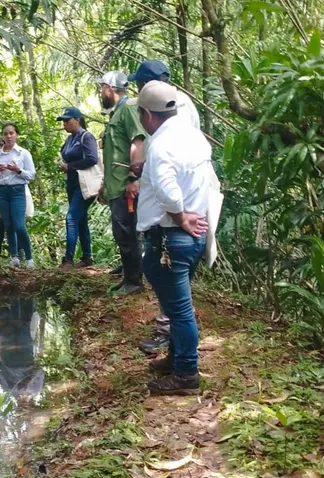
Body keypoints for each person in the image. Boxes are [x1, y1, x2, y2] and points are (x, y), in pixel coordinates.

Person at [129, 81, 214, 395]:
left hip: (170, 237)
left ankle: (186, 374)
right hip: (187, 237)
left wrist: (179, 215)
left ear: (148, 114)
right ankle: (176, 358)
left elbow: (166, 188)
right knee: (176, 304)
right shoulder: (193, 135)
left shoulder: (162, 145)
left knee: (180, 311)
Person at [98, 71, 146, 296]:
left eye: (102, 88)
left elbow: (138, 141)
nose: (100, 93)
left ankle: (134, 283)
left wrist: (133, 179)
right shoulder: (116, 113)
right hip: (115, 185)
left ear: (110, 88)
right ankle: (128, 277)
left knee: (127, 234)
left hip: (126, 185)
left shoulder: (127, 110)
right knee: (122, 233)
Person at [0, 123, 36, 269]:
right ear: (2, 135)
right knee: (7, 224)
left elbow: (31, 175)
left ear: (16, 135)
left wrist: (18, 170)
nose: (8, 136)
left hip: (17, 190)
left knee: (19, 226)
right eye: (5, 133)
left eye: (11, 133)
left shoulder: (23, 153)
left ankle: (29, 259)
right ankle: (14, 257)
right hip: (1, 190)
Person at [57, 107, 99, 268]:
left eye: (67, 120)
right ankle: (87, 257)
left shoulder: (86, 137)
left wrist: (70, 166)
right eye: (63, 121)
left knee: (71, 218)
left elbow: (92, 158)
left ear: (77, 120)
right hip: (72, 184)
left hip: (84, 185)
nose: (65, 124)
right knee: (80, 221)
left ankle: (68, 259)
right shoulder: (69, 139)